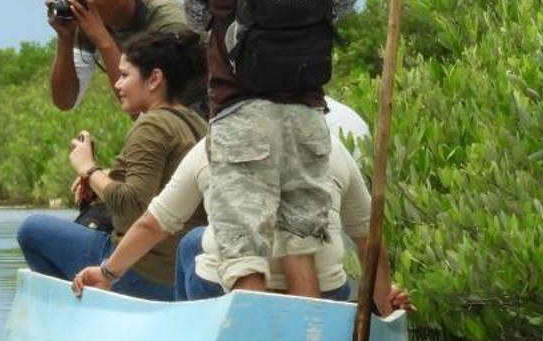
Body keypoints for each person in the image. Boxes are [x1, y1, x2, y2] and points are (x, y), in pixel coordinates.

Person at [184, 0, 357, 298]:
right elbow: (342, 8)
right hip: (305, 107)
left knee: (242, 245)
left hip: (240, 109)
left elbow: (195, 18)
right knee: (300, 241)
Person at [71, 123, 410, 317]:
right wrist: (384, 308)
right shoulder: (333, 146)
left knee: (192, 241)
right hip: (324, 298)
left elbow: (153, 223)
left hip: (235, 297)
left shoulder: (215, 143)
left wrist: (107, 273)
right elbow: (369, 238)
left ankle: (190, 336)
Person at [17, 32, 207, 299]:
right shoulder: (196, 122)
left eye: (125, 75)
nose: (117, 85)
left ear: (154, 79)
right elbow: (160, 187)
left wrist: (88, 169)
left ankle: (83, 315)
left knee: (32, 230)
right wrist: (103, 180)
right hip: (182, 269)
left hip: (146, 270)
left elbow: (134, 206)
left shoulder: (152, 125)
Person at [46, 0, 205, 114]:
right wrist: (65, 38)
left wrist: (103, 40)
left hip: (203, 112)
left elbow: (144, 104)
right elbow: (65, 101)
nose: (81, 4)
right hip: (165, 120)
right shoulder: (89, 20)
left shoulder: (169, 23)